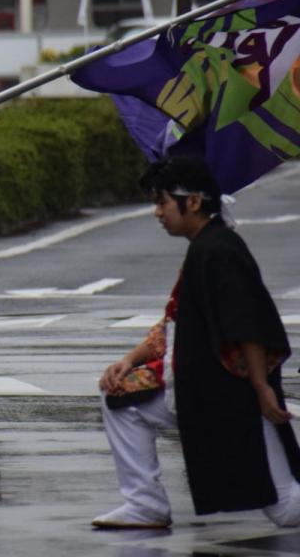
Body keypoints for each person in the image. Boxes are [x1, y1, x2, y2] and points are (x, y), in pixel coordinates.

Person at [93, 156, 300, 529]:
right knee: (121, 397)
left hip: (233, 395)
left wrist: (259, 387)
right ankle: (145, 504)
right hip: (199, 391)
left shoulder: (219, 250)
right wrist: (131, 359)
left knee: (285, 509)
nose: (157, 212)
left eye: (163, 202)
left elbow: (247, 325)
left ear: (192, 202)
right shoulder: (206, 246)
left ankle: (146, 505)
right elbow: (175, 320)